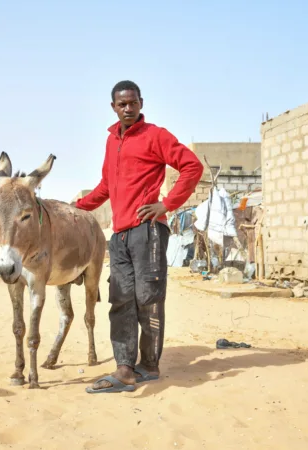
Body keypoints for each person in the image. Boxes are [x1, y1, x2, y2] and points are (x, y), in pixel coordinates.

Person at [76, 80, 204, 393]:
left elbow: (192, 166)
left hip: (148, 230)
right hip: (119, 235)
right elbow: (106, 187)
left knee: (148, 299)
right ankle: (124, 368)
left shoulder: (155, 135)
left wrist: (166, 204)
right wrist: (76, 208)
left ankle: (148, 365)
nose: (128, 108)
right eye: (122, 104)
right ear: (113, 107)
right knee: (120, 300)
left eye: (133, 103)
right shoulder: (111, 142)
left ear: (141, 103)